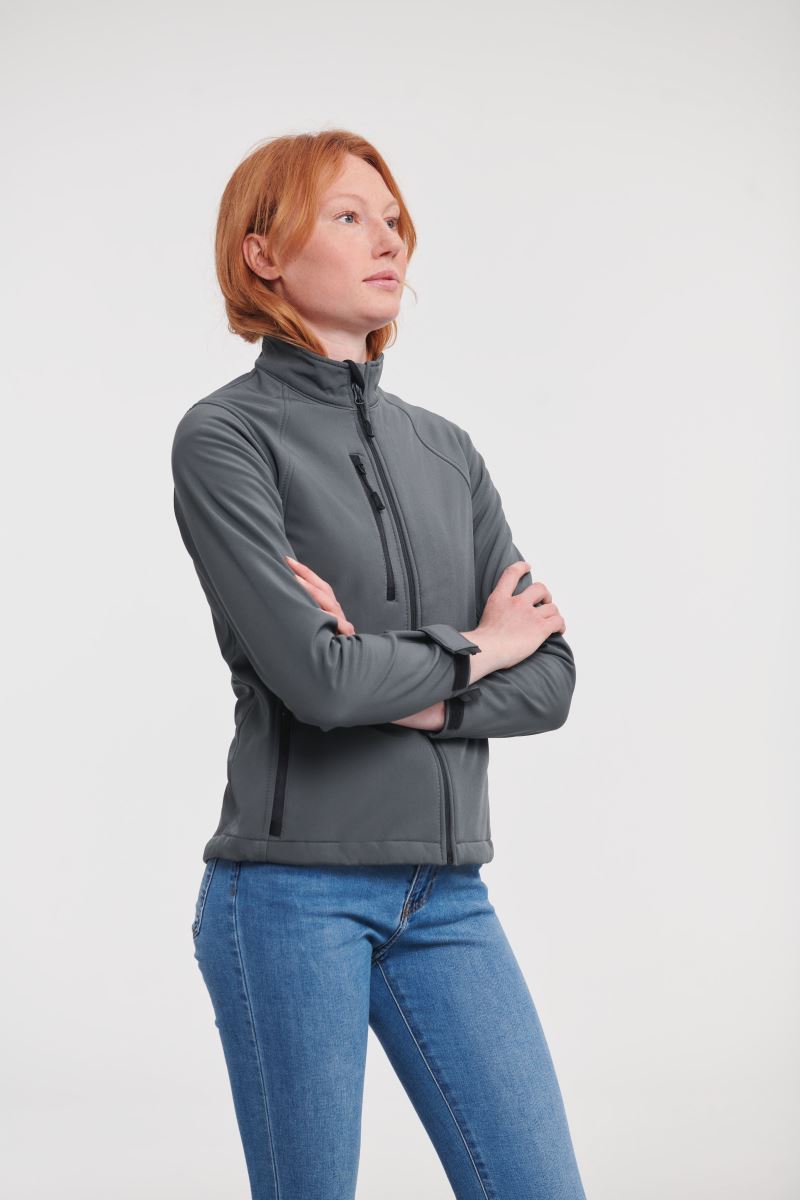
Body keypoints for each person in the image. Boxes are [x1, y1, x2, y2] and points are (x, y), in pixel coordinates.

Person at [172, 128, 587, 1199]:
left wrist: (406, 687)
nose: (388, 239)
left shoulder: (447, 451)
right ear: (264, 253)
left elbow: (549, 679)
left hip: (447, 896)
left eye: (392, 219)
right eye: (349, 216)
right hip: (288, 896)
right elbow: (319, 682)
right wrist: (479, 648)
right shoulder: (226, 439)